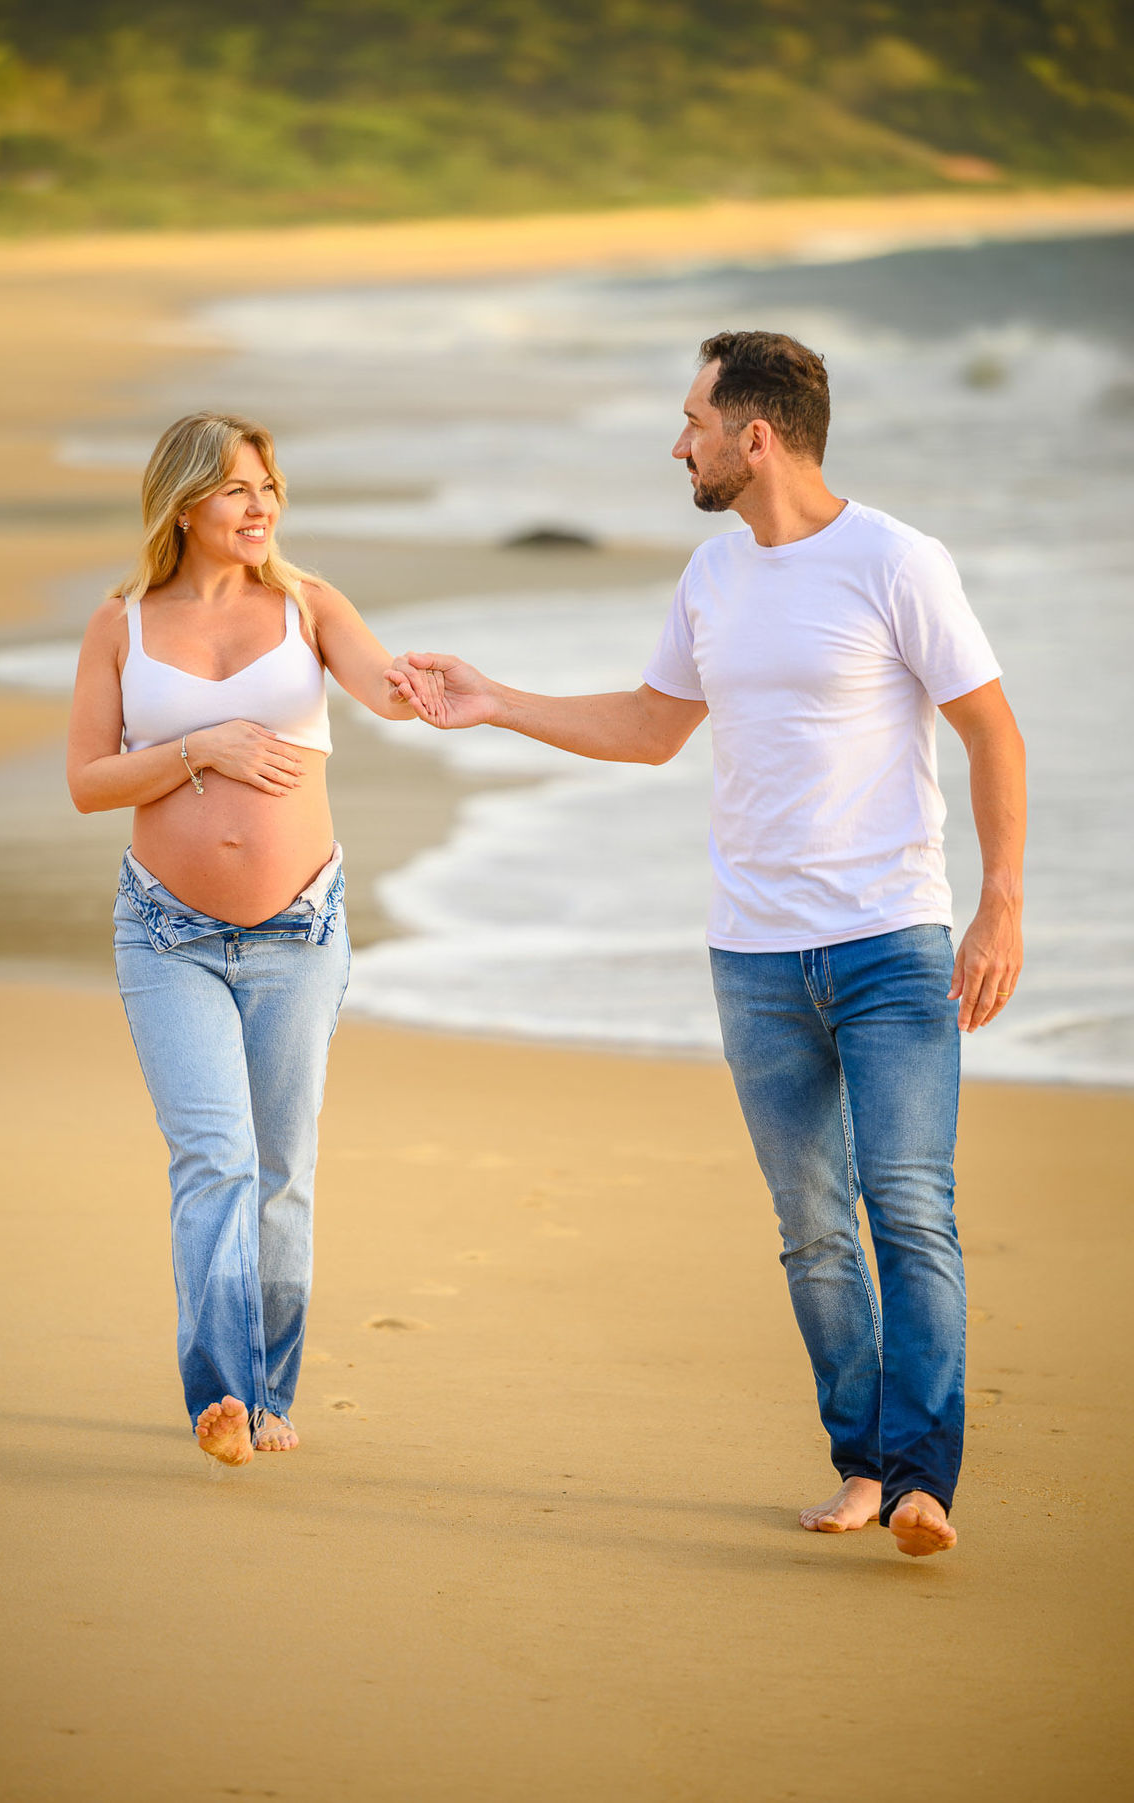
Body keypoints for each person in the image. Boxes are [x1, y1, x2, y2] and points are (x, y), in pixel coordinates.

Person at [386, 330, 1026, 1557]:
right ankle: (860, 1464)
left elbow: (990, 730)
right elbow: (648, 726)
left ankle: (923, 1478)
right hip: (755, 957)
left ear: (757, 435)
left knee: (909, 1206)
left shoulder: (896, 561)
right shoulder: (712, 576)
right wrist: (495, 700)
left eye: (692, 420)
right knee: (812, 1225)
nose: (678, 441)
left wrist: (1000, 905)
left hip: (894, 939)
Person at [68, 411, 437, 1467]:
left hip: (299, 931)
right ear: (184, 502)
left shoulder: (310, 606)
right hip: (166, 931)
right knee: (214, 1159)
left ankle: (272, 1393)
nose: (261, 504)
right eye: (237, 487)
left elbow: (380, 688)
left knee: (281, 1170)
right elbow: (89, 782)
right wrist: (202, 747)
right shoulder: (122, 623)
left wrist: (421, 690)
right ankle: (220, 1394)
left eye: (269, 485)